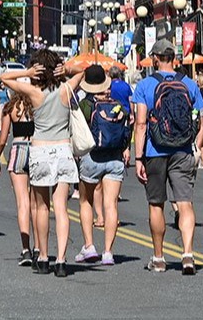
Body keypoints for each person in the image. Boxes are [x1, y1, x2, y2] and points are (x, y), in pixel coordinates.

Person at [0, 49, 86, 277]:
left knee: (40, 207)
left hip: (40, 150)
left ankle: (44, 257)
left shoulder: (33, 92)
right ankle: (61, 260)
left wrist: (27, 72)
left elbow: (3, 78)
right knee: (61, 208)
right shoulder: (66, 90)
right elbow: (84, 71)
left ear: (38, 70)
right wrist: (67, 69)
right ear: (55, 68)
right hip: (63, 149)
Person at [133, 39, 203, 275]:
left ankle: (159, 257)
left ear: (155, 59)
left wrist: (138, 157)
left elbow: (141, 123)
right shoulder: (189, 84)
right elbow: (202, 120)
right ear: (174, 58)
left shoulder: (145, 85)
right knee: (185, 204)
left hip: (156, 151)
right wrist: (196, 145)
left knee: (156, 205)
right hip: (183, 150)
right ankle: (187, 254)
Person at [74, 65, 130, 266]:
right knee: (111, 204)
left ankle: (89, 246)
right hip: (115, 157)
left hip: (92, 157)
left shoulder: (84, 105)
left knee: (85, 201)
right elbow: (127, 128)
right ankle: (108, 252)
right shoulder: (117, 105)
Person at [0, 90, 37, 266]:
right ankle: (39, 247)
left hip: (18, 149)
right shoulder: (36, 106)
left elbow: (3, 139)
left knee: (22, 203)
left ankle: (26, 249)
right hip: (36, 148)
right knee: (38, 203)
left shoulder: (10, 108)